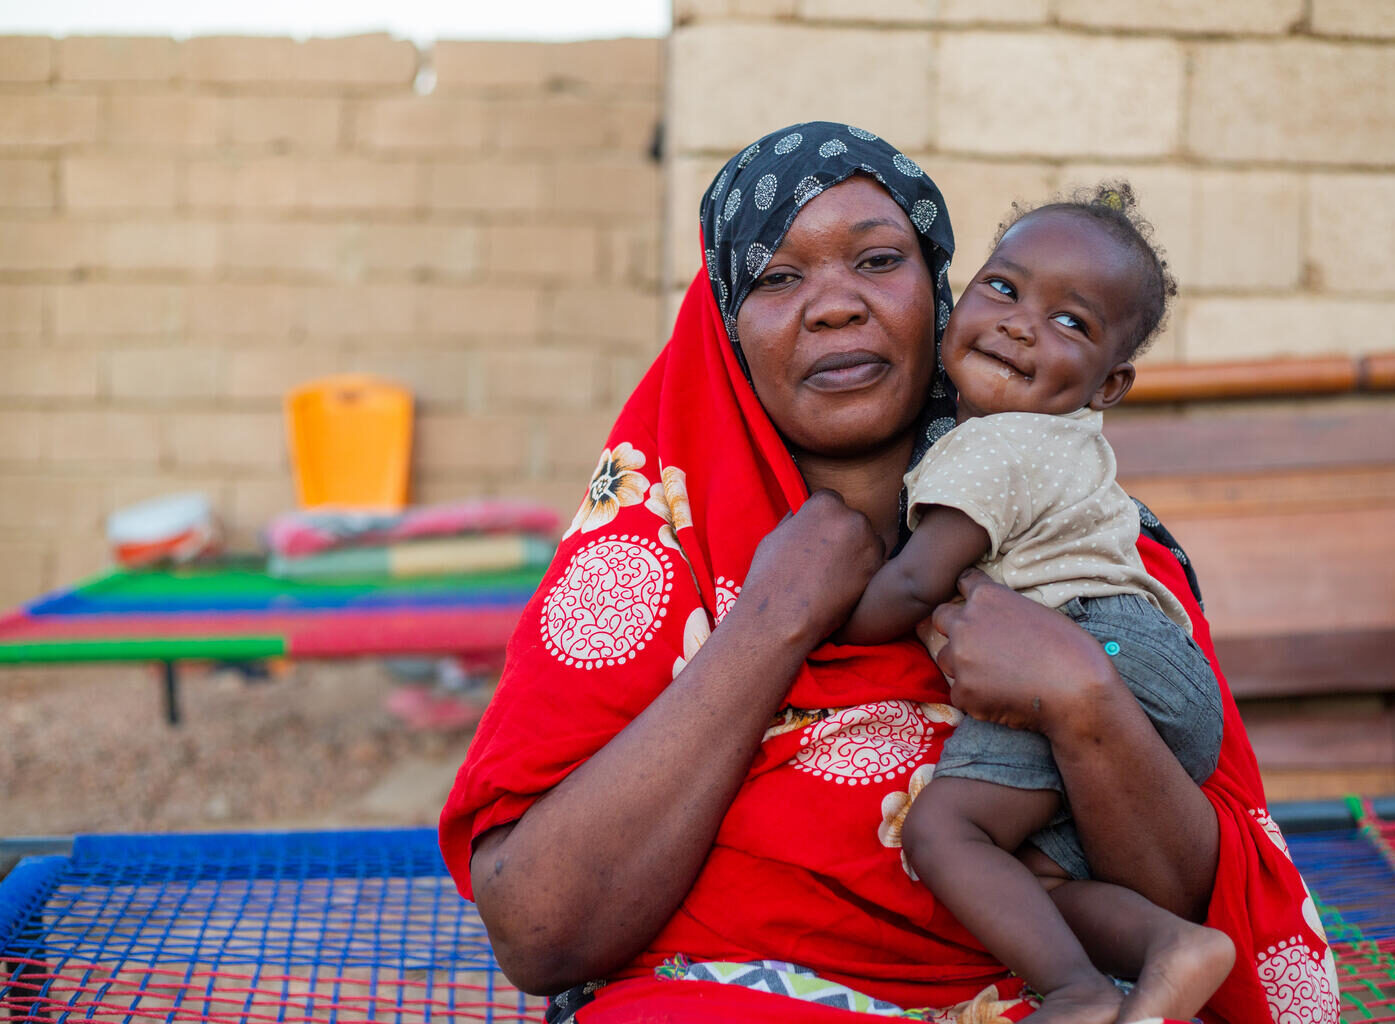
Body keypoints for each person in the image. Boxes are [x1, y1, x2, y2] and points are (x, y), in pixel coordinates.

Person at [439, 123, 1335, 1023]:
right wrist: (774, 618)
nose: (833, 306)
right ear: (724, 327)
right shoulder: (651, 552)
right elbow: (540, 932)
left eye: (875, 261)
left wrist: (1081, 697)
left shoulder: (1090, 553)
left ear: (940, 297)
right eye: (777, 277)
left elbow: (1192, 905)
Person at [837, 184, 1233, 1023]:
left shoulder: (995, 448)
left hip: (1095, 651)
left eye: (1070, 323)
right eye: (1004, 289)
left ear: (1107, 383)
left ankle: (1077, 991)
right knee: (1034, 875)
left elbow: (913, 583)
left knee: (944, 835)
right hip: (1153, 668)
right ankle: (1171, 945)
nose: (1020, 324)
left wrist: (814, 614)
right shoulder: (1052, 440)